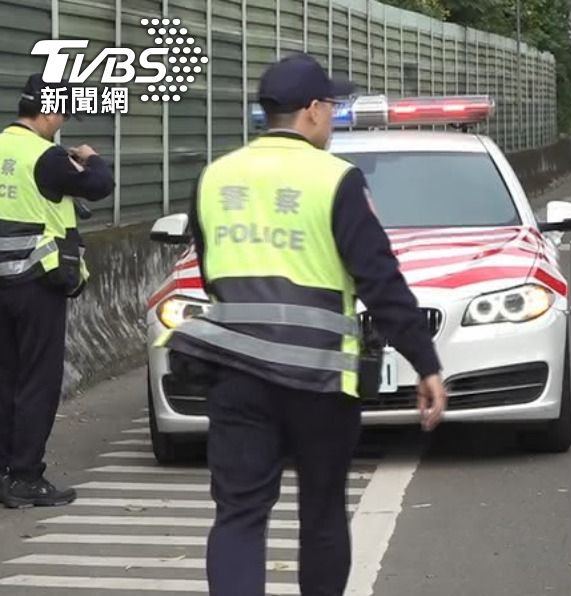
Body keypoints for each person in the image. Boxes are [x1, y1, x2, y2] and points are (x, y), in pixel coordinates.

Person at [156, 53, 448, 596]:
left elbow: (211, 266)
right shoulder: (336, 179)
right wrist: (425, 363)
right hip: (319, 380)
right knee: (320, 511)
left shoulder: (214, 176)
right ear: (313, 111)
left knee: (239, 515)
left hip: (236, 375)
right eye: (332, 107)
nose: (333, 118)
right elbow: (379, 280)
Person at [0, 74, 114, 508]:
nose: (62, 122)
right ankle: (26, 476)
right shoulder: (46, 157)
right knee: (37, 381)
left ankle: (3, 472)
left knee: (4, 378)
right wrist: (91, 157)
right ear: (47, 111)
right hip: (35, 282)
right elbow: (99, 186)